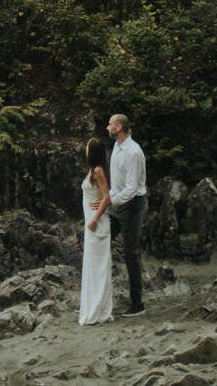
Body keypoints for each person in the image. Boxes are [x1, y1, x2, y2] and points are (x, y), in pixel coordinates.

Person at [107, 113, 146, 315]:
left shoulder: (133, 152)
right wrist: (109, 199)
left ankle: (137, 304)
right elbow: (117, 183)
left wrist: (109, 200)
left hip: (133, 204)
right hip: (117, 202)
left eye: (110, 124)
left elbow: (131, 189)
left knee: (130, 253)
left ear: (119, 128)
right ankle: (99, 297)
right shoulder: (116, 147)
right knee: (102, 240)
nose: (107, 127)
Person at [77, 136, 113, 325]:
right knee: (92, 267)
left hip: (96, 223)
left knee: (98, 267)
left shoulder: (98, 171)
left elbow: (106, 197)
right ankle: (93, 309)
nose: (85, 148)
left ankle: (100, 311)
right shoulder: (92, 170)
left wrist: (94, 219)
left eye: (87, 146)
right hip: (91, 223)